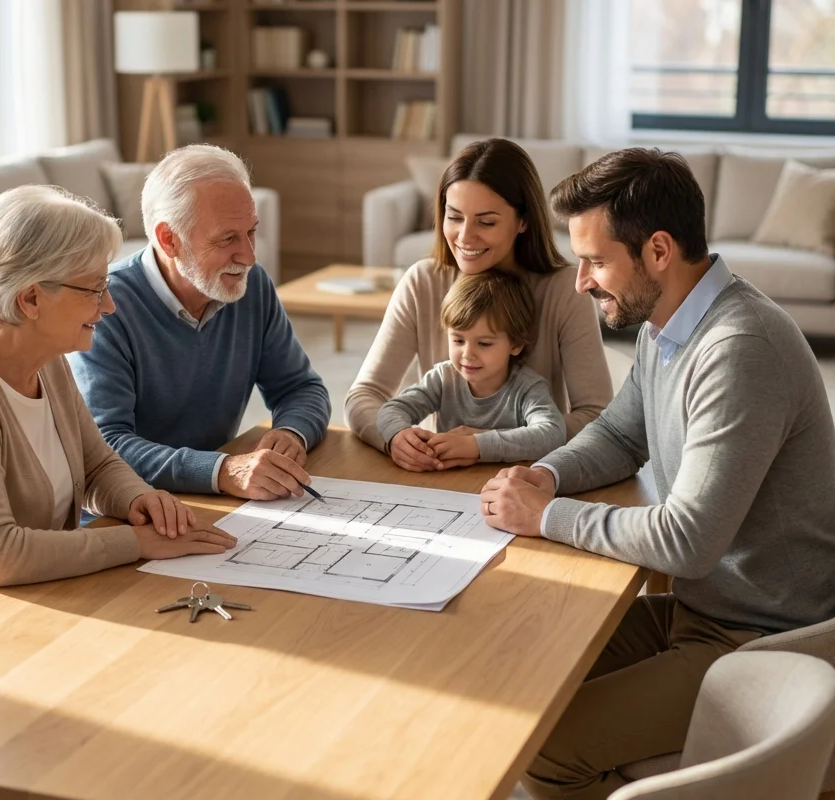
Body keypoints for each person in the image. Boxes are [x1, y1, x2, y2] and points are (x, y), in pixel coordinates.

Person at [478, 148, 835, 800]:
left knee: (546, 744)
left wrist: (546, 519)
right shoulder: (665, 325)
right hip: (705, 612)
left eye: (595, 260)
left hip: (759, 640)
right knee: (525, 672)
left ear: (660, 251)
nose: (581, 280)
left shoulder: (738, 350)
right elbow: (620, 433)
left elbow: (688, 542)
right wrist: (543, 478)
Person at [0, 186, 236, 649]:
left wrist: (139, 500)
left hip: (16, 605)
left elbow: (96, 465)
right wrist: (137, 542)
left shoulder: (46, 360)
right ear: (31, 299)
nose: (109, 306)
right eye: (94, 288)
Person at [68, 145, 331, 501]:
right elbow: (106, 449)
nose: (249, 256)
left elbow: (300, 388)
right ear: (169, 239)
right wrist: (221, 471)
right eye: (227, 239)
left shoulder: (251, 287)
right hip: (130, 511)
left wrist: (291, 433)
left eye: (251, 232)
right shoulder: (105, 307)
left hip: (212, 501)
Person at [346, 138, 612, 472]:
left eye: (486, 222)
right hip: (438, 473)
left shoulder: (563, 289)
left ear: (523, 221)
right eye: (454, 217)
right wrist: (395, 437)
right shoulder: (423, 282)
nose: (465, 237)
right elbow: (364, 396)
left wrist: (484, 445)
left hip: (528, 476)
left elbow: (597, 418)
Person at [376, 270, 565, 468]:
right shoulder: (443, 378)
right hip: (446, 484)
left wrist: (476, 446)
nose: (467, 354)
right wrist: (399, 436)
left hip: (506, 486)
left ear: (516, 345)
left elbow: (552, 433)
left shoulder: (527, 388)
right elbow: (392, 409)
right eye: (458, 340)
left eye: (484, 343)